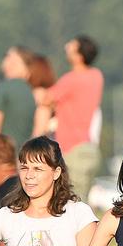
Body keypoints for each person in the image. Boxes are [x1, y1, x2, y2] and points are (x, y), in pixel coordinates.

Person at [39, 35, 105, 202]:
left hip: (72, 148)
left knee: (73, 203)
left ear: (78, 55)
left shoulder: (71, 79)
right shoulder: (96, 76)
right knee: (83, 203)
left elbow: (46, 99)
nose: (67, 47)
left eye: (72, 46)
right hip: (89, 147)